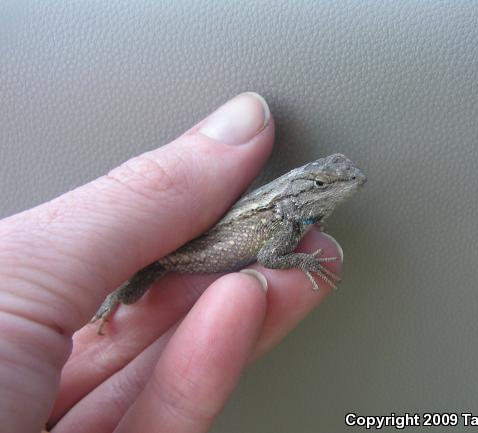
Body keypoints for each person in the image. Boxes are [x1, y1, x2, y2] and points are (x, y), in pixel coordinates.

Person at [0, 93, 342, 433]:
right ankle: (111, 300)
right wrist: (305, 262)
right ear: (298, 192)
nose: (344, 183)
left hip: (187, 251)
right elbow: (269, 257)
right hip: (172, 256)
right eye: (322, 184)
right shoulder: (280, 215)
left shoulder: (287, 215)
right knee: (130, 297)